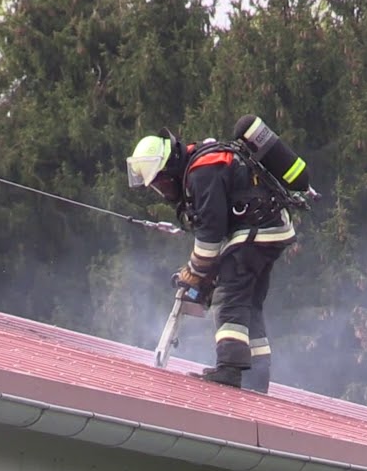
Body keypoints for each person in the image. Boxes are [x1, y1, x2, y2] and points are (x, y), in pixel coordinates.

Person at [127, 127, 298, 393]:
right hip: (270, 229)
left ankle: (229, 370)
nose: (162, 191)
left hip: (254, 231)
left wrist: (193, 272)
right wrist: (204, 274)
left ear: (170, 168)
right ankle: (256, 378)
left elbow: (210, 237)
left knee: (229, 298)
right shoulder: (204, 165)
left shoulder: (202, 172)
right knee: (248, 304)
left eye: (160, 183)